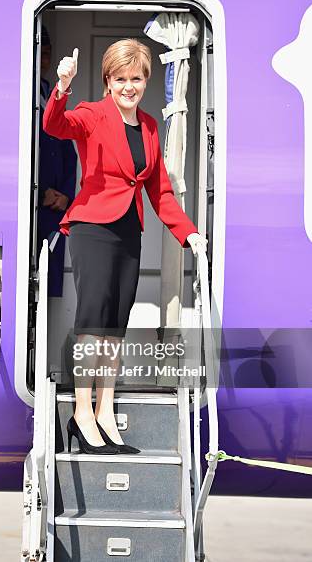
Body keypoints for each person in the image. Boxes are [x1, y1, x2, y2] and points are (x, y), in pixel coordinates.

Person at [43, 39, 208, 454]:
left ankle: (103, 412)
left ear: (146, 80)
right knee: (93, 322)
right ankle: (81, 413)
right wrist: (62, 87)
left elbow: (160, 191)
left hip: (128, 231)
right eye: (120, 79)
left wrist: (187, 232)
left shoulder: (150, 127)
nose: (129, 87)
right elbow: (55, 126)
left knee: (115, 327)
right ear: (108, 81)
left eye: (136, 78)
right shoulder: (92, 115)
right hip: (92, 227)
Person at [36, 25, 77, 296]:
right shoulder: (20, 97)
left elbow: (68, 153)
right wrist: (37, 192)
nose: (45, 61)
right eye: (42, 53)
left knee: (46, 277)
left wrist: (66, 195)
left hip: (55, 205)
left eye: (48, 54)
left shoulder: (50, 94)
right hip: (36, 202)